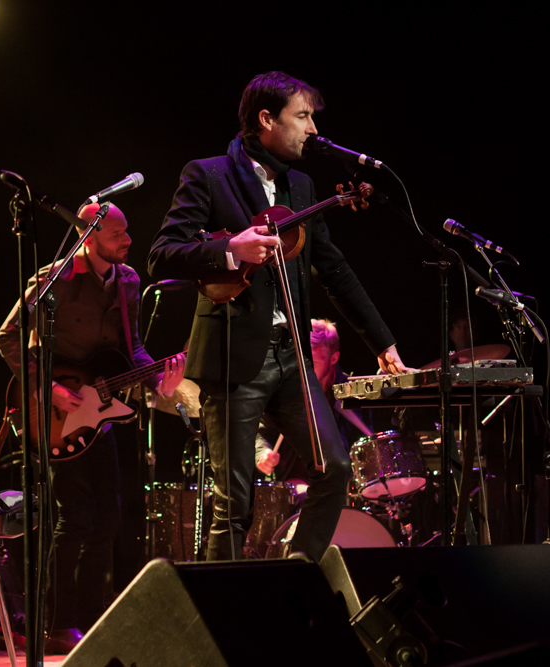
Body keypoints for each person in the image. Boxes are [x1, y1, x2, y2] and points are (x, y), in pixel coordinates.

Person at [148, 71, 409, 562]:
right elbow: (162, 254)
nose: (313, 129)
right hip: (232, 356)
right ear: (266, 119)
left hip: (292, 357)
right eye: (303, 116)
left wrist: (382, 342)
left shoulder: (303, 185)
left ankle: (297, 576)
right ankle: (220, 621)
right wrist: (231, 249)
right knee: (235, 505)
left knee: (334, 470)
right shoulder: (207, 174)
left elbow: (333, 268)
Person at [0, 203, 184, 653]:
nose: (128, 240)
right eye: (118, 233)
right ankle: (56, 626)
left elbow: (132, 347)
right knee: (73, 518)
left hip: (99, 413)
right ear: (90, 235)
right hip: (55, 415)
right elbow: (7, 338)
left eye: (125, 231)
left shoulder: (128, 282)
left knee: (109, 518)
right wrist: (50, 388)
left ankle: (93, 622)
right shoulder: (53, 280)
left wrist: (160, 378)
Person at [255, 318, 372, 479]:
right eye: (301, 360)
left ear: (333, 358)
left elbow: (365, 446)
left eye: (313, 362)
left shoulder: (354, 394)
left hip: (341, 485)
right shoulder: (286, 388)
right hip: (292, 487)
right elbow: (264, 432)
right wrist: (264, 454)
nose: (303, 369)